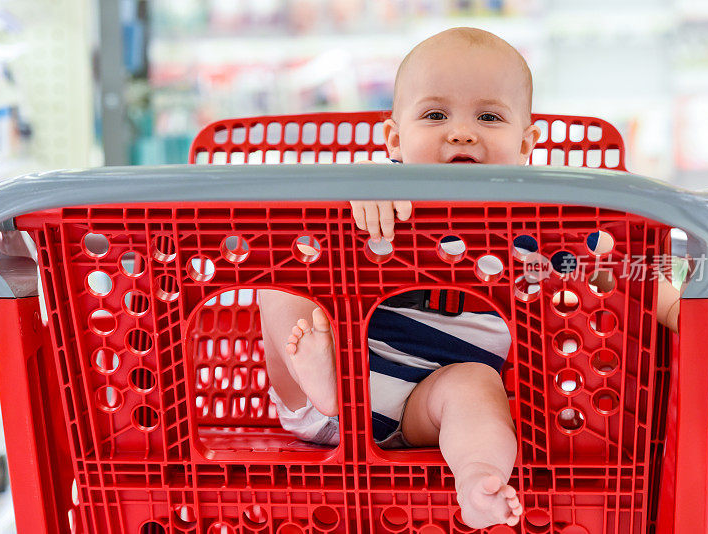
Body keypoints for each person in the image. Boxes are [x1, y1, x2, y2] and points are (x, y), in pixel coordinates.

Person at [258, 27, 684, 529]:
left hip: (428, 409)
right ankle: (333, 388)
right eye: (436, 115)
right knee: (285, 261)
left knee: (477, 386)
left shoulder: (542, 226)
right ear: (395, 139)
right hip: (333, 373)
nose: (461, 132)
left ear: (526, 142)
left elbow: (615, 269)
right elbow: (310, 221)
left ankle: (479, 474)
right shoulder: (379, 196)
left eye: (489, 116)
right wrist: (356, 191)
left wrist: (679, 305)